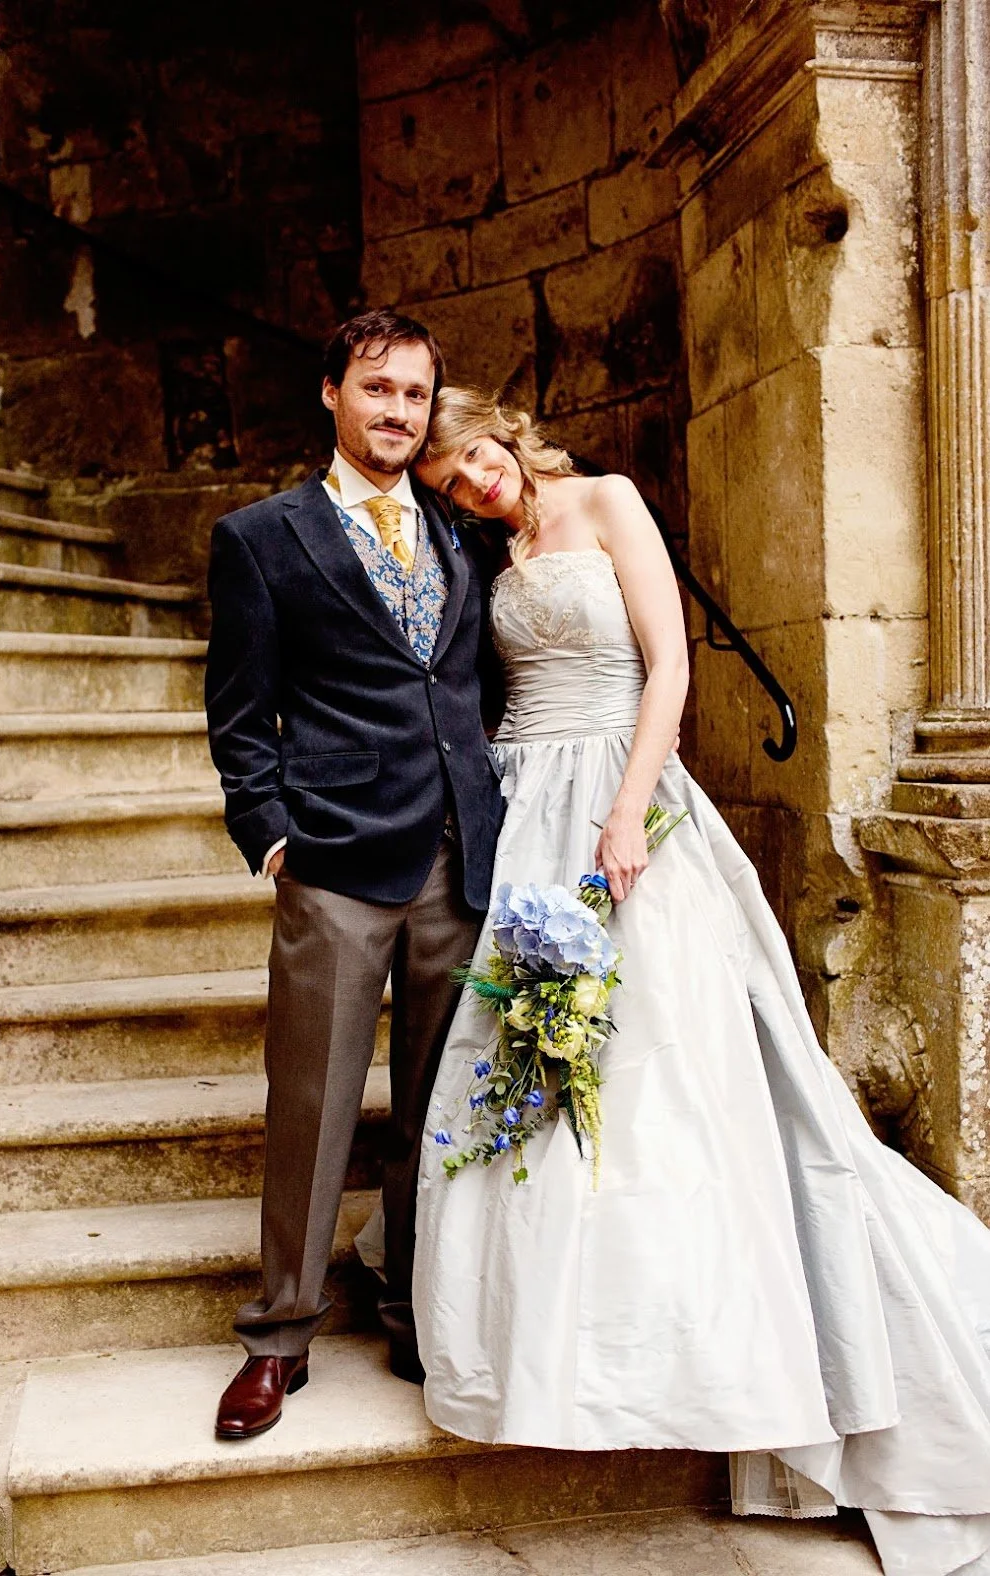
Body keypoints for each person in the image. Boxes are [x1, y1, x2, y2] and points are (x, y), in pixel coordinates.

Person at [411, 385, 990, 1576]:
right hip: (525, 816)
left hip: (624, 804)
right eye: (446, 483)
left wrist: (628, 812)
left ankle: (713, 1345)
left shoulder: (608, 499)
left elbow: (669, 667)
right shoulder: (492, 553)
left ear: (497, 430)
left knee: (665, 1067)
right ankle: (546, 1343)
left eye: (469, 458)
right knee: (534, 1061)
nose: (470, 485)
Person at [204, 315, 504, 1440]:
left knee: (437, 1106)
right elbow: (239, 711)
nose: (399, 413)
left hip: (457, 861)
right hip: (333, 859)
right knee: (314, 1104)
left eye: (418, 395)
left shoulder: (460, 533)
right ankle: (279, 1336)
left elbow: (482, 687)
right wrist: (271, 831)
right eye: (378, 389)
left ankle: (415, 1311)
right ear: (331, 393)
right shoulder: (261, 537)